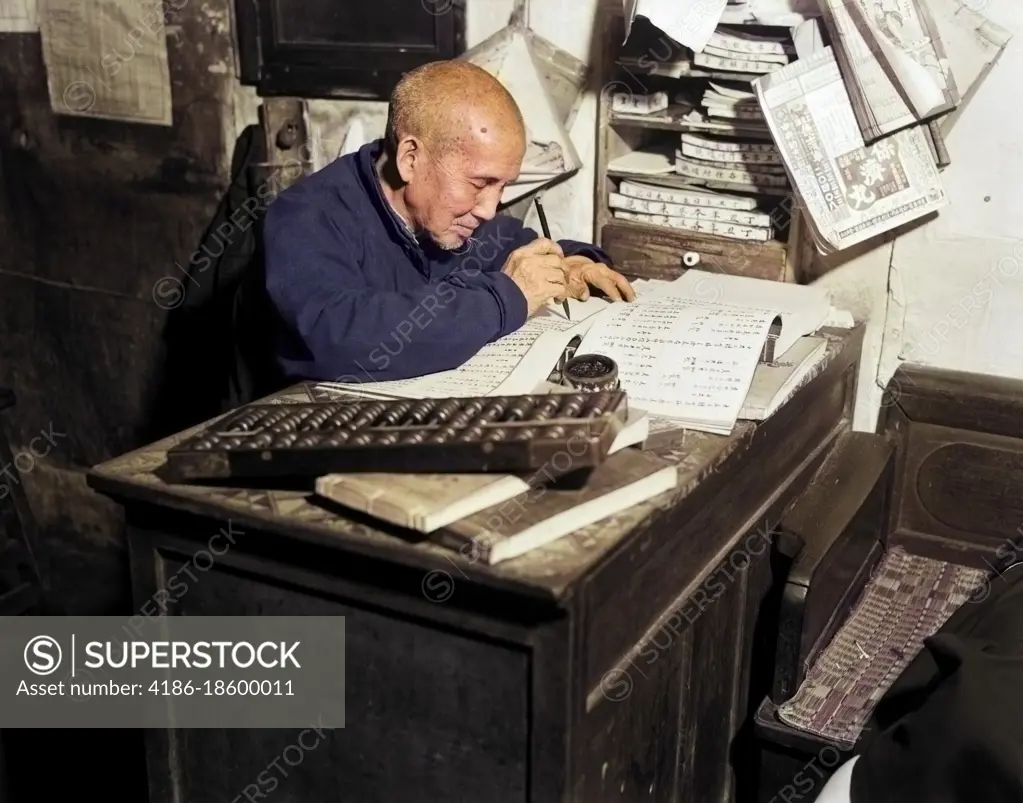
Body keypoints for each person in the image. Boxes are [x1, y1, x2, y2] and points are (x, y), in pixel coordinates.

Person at [262, 60, 635, 384]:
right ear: (411, 158)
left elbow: (514, 244)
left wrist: (574, 261)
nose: (490, 209)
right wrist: (507, 297)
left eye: (503, 186)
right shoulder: (306, 217)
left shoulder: (452, 217)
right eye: (480, 183)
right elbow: (340, 337)